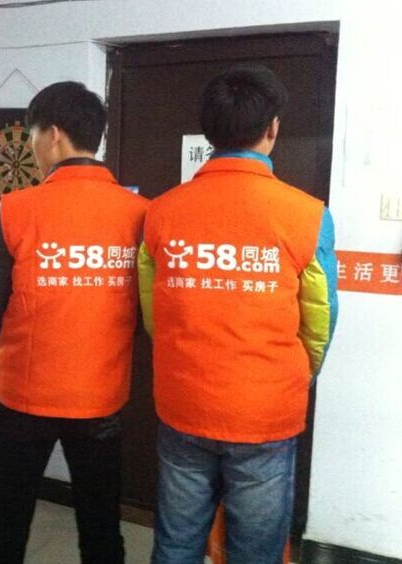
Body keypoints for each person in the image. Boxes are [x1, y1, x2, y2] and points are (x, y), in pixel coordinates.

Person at [139, 64, 339, 563]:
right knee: (256, 553)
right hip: (266, 412)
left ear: (210, 131)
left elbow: (152, 311)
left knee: (176, 545)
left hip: (183, 401)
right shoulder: (308, 215)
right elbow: (320, 319)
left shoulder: (161, 212)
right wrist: (300, 374)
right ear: (272, 128)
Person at [0, 81, 149, 564]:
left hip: (25, 395)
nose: (32, 147)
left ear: (52, 134)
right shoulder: (140, 213)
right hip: (101, 395)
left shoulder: (15, 208)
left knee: (8, 520)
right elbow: (146, 309)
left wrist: (33, 340)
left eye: (32, 135)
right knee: (101, 524)